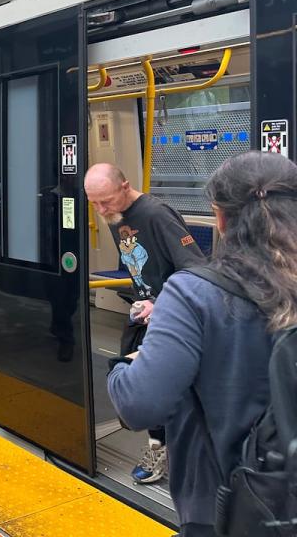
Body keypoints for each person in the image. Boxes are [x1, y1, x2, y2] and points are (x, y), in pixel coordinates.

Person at [107, 151, 296, 536]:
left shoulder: (194, 294)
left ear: (221, 219)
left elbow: (140, 405)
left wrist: (126, 364)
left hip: (225, 503)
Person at [85, 162, 206, 484]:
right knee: (136, 383)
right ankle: (160, 443)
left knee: (167, 389)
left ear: (125, 187)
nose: (100, 209)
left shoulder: (156, 215)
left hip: (174, 315)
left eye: (106, 201)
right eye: (93, 203)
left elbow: (195, 269)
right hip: (143, 313)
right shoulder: (115, 215)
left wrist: (160, 302)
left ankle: (174, 449)